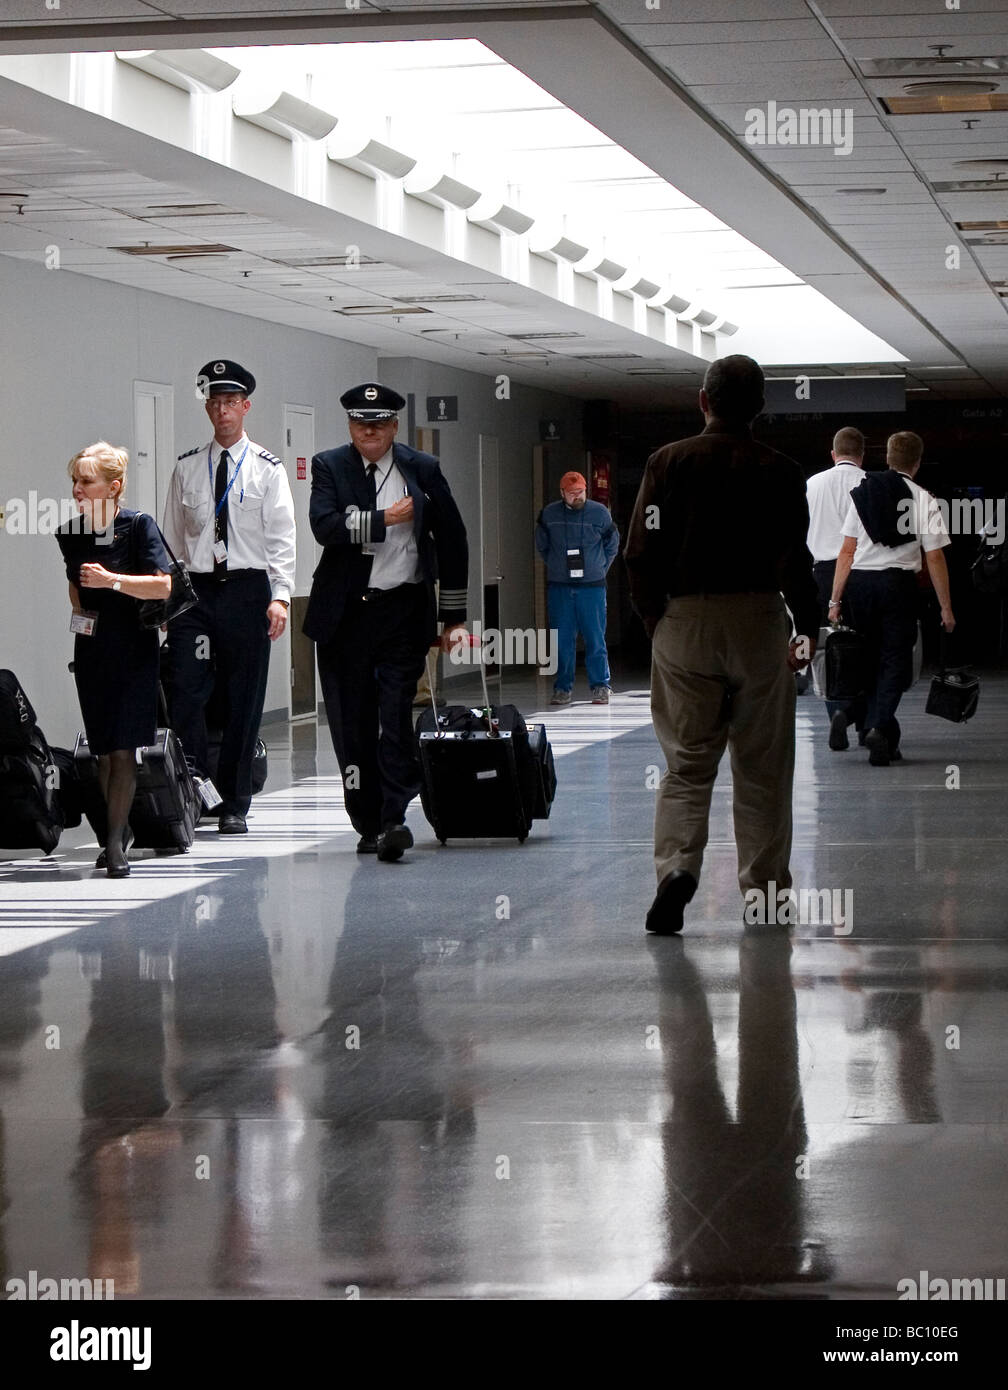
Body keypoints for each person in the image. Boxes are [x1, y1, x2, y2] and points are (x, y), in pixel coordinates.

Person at [623, 354, 819, 935]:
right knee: (762, 767)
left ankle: (677, 872)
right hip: (759, 620)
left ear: (702, 401)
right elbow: (795, 563)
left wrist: (658, 624)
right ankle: (763, 893)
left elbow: (640, 554)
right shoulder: (781, 470)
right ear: (759, 409)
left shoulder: (666, 462)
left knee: (686, 766)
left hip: (683, 622)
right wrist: (806, 628)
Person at [303, 382, 469, 863]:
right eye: (360, 423)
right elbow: (325, 526)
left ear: (395, 426)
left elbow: (453, 538)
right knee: (351, 726)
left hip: (402, 612)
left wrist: (453, 617)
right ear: (350, 427)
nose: (368, 431)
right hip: (345, 618)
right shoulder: (330, 466)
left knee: (395, 716)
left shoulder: (422, 469)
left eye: (377, 423)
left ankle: (395, 816)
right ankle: (368, 820)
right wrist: (383, 519)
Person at [162, 359, 296, 834]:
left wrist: (280, 597)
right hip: (196, 596)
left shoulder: (267, 470)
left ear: (246, 407)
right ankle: (195, 790)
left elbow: (281, 538)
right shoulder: (186, 468)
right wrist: (166, 601)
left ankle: (235, 802)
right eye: (214, 402)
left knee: (243, 697)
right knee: (186, 693)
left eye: (230, 403)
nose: (221, 411)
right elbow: (173, 543)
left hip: (246, 591)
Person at [55, 443, 171, 878]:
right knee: (103, 749)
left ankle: (115, 845)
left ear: (114, 486)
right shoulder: (70, 533)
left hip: (134, 648)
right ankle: (117, 834)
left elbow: (162, 586)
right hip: (92, 650)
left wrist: (113, 581)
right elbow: (75, 588)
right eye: (75, 481)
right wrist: (81, 618)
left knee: (123, 749)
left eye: (86, 481)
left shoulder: (139, 527)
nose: (77, 489)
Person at [828, 431, 954, 767]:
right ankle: (878, 727)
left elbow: (846, 551)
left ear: (886, 457)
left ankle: (848, 711)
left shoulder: (864, 492)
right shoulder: (923, 498)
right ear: (917, 462)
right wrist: (946, 606)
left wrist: (835, 599)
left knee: (865, 658)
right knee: (894, 661)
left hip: (859, 585)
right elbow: (935, 557)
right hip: (898, 586)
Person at [806, 426, 867, 749]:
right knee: (862, 647)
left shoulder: (811, 485)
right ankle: (860, 717)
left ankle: (835, 711)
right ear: (862, 455)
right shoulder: (869, 484)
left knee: (827, 650)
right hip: (860, 572)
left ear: (833, 454)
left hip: (820, 574)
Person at [534, 471, 620, 705]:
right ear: (562, 493)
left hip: (591, 586)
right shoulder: (549, 515)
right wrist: (556, 565)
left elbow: (612, 543)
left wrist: (600, 568)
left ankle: (601, 686)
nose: (577, 496)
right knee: (563, 640)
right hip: (560, 587)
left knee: (595, 637)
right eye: (572, 494)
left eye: (580, 492)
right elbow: (542, 545)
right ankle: (563, 688)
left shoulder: (599, 513)